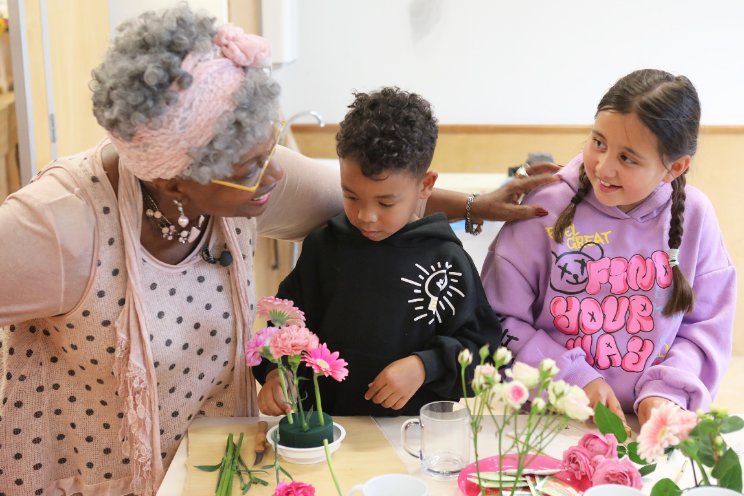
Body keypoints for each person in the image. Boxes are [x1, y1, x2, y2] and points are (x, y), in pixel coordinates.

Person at [0, 5, 557, 495]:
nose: (275, 179)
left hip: (220, 460)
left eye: (271, 151)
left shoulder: (249, 173)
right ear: (174, 181)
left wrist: (478, 206)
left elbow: (382, 201)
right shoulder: (58, 226)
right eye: (250, 170)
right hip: (92, 471)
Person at [481, 69, 736, 429]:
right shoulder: (544, 208)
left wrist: (664, 392)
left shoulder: (696, 216)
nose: (603, 166)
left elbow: (706, 328)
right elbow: (499, 319)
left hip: (648, 428)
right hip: (546, 422)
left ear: (673, 168)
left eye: (628, 158)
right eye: (598, 142)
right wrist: (574, 379)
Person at [255, 87, 503, 417]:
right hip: (328, 433)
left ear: (425, 186)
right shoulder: (324, 247)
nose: (365, 216)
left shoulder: (447, 261)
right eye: (350, 195)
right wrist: (275, 374)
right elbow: (283, 326)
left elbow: (485, 356)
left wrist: (424, 366)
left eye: (386, 202)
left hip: (416, 439)